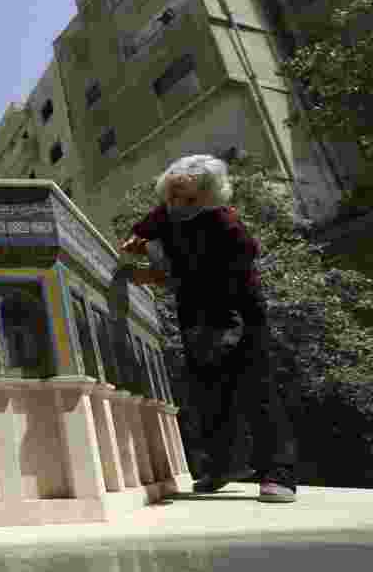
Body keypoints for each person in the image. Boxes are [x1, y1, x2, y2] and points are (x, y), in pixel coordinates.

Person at [120, 154, 297, 503]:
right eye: (171, 196)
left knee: (256, 391)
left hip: (240, 313)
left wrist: (160, 276)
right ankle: (219, 468)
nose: (176, 205)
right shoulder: (165, 214)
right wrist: (136, 240)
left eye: (187, 199)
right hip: (196, 316)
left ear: (209, 197)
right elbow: (145, 229)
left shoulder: (228, 228)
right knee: (208, 392)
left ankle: (279, 475)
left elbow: (220, 277)